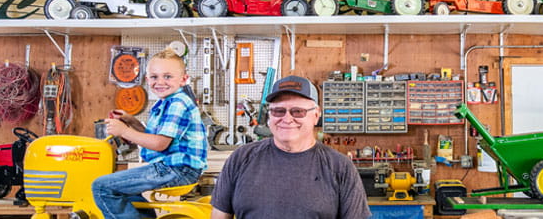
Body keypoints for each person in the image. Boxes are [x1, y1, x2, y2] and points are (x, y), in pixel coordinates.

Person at [211, 75, 371, 219]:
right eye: (278, 111)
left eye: (298, 111)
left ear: (316, 115)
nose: (287, 119)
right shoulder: (241, 158)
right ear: (269, 116)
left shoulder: (340, 167)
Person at [92, 49, 207, 219]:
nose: (160, 82)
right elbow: (151, 138)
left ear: (184, 79)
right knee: (125, 192)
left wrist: (124, 131)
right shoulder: (165, 103)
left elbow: (160, 144)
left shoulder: (177, 103)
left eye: (167, 77)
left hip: (175, 169)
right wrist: (131, 121)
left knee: (102, 187)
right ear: (147, 79)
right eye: (154, 77)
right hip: (171, 168)